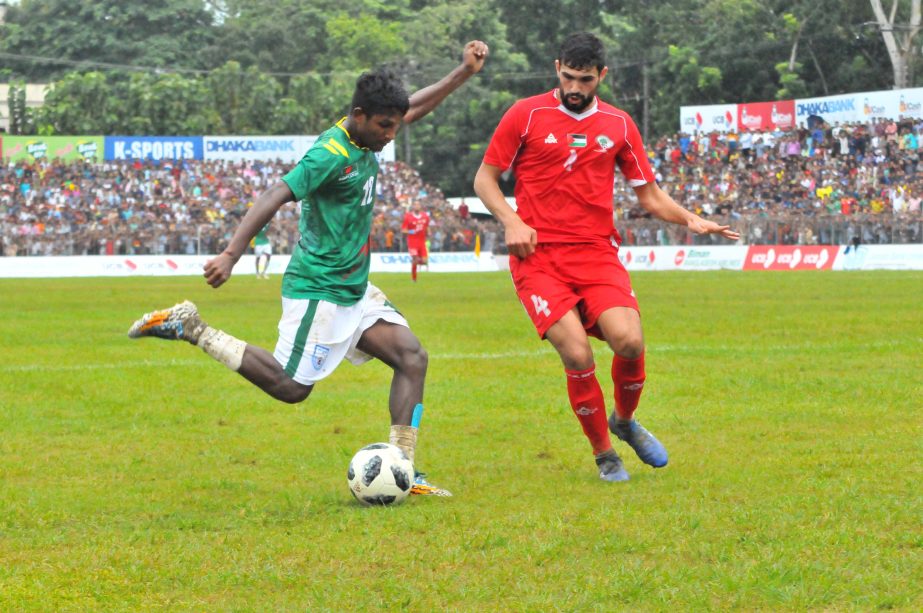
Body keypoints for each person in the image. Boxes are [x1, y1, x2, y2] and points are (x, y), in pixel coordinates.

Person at [128, 40, 490, 497]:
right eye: (385, 126)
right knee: (292, 387)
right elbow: (273, 196)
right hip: (318, 288)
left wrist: (463, 72)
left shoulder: (372, 132)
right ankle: (193, 328)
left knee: (411, 357)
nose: (392, 134)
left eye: (395, 125)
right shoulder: (329, 154)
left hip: (353, 288)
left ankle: (402, 467)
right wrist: (231, 255)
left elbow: (412, 107)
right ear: (359, 115)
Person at [473, 32, 739, 483]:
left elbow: (650, 195)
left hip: (597, 254)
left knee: (630, 342)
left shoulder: (618, 124)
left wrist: (691, 219)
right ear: (557, 68)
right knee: (577, 354)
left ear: (602, 76)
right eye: (568, 77)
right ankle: (604, 454)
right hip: (539, 258)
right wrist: (512, 220)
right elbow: (485, 178)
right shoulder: (526, 113)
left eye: (586, 79)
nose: (575, 87)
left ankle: (624, 420)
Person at [401, 201, 430, 281]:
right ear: (413, 206)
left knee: (424, 261)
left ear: (420, 206)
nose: (417, 206)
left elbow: (427, 227)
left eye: (418, 204)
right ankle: (414, 278)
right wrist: (410, 231)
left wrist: (429, 232)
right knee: (415, 259)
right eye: (415, 204)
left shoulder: (425, 216)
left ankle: (416, 262)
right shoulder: (408, 217)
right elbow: (403, 230)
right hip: (412, 242)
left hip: (422, 242)